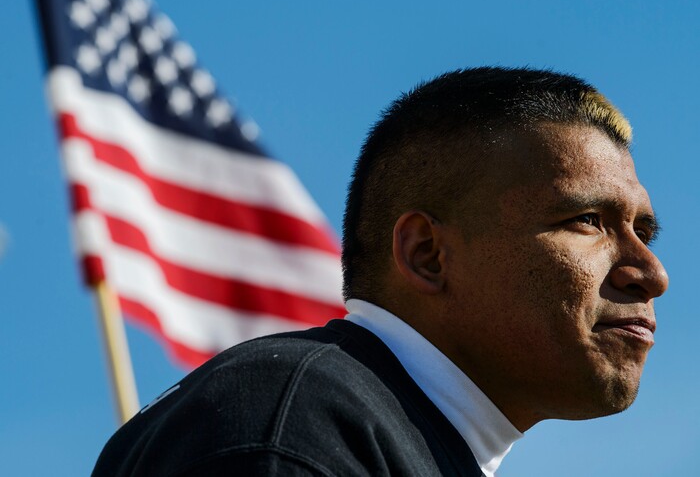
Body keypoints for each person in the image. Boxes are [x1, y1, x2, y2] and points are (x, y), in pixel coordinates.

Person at [93, 67, 668, 476]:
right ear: (426, 253)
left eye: (643, 232)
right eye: (588, 220)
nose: (650, 272)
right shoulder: (293, 426)